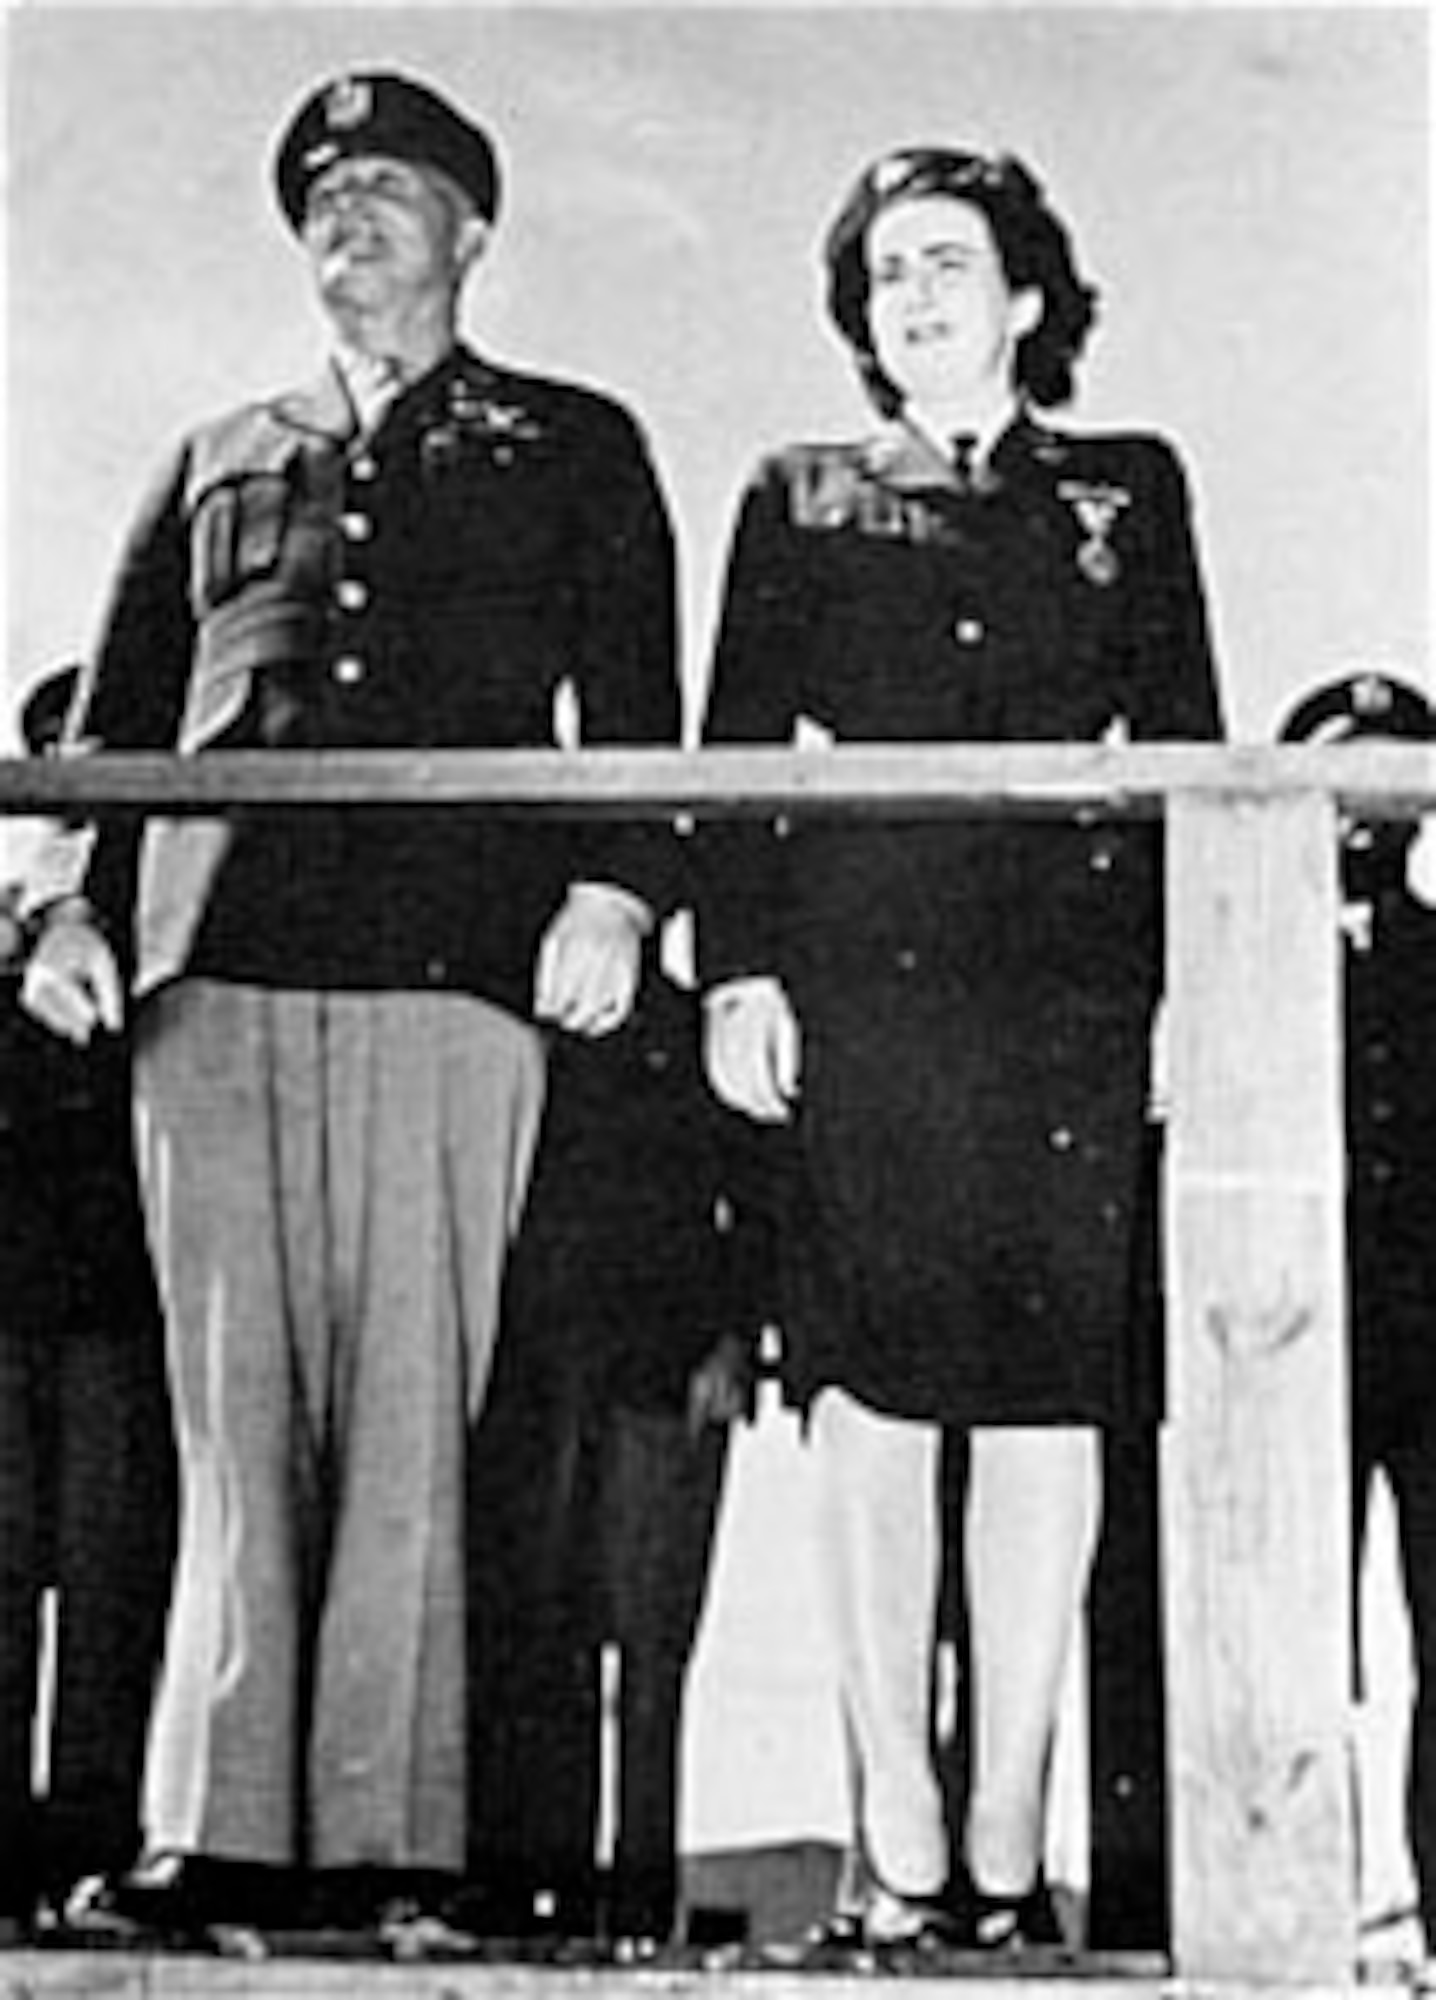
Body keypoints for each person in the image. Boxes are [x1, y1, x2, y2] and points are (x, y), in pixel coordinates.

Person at [17, 70, 679, 1937]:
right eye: (324, 197)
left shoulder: (569, 441)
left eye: (394, 191)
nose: (352, 220)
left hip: (456, 967)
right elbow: (120, 713)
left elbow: (633, 701)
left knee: (413, 1411)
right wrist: (64, 904)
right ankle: (211, 1829)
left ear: (475, 231)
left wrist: (619, 889)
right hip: (211, 971)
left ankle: (396, 1839)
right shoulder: (218, 451)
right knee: (230, 1414)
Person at [698, 145, 1223, 1953]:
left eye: (948, 264)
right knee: (872, 1410)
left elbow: (1189, 749)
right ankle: (898, 1850)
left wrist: (1186, 991)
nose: (912, 297)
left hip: (1069, 1008)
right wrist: (742, 974)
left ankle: (1004, 1858)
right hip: (872, 1002)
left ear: (1025, 297)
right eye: (882, 274)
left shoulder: (1131, 490)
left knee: (1043, 1415)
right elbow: (739, 749)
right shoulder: (798, 494)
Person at [464, 962, 765, 1953]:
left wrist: (730, 1339)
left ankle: (641, 1898)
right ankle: (527, 1886)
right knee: (533, 1636)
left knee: (650, 1648)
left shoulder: (696, 1014)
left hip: (665, 1369)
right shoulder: (516, 992)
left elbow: (754, 1180)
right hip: (534, 1369)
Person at [0, 665, 177, 1939]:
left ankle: (89, 1852)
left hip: (120, 1300)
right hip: (10, 1305)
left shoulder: (163, 914)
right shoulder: (20, 915)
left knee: (115, 1590)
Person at [1278, 669, 1436, 1956]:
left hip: (1429, 1357)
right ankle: (1291, 1907)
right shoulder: (1238, 960)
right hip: (1289, 1352)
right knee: (1284, 1649)